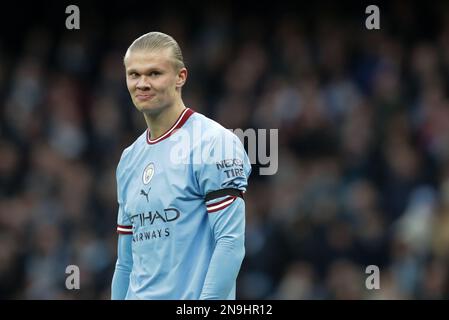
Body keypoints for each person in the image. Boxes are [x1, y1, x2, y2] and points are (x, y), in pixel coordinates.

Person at [111, 32, 251, 300]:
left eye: (154, 73)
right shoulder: (129, 159)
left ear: (180, 77)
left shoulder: (214, 143)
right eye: (134, 74)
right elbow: (126, 262)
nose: (142, 84)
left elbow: (230, 244)